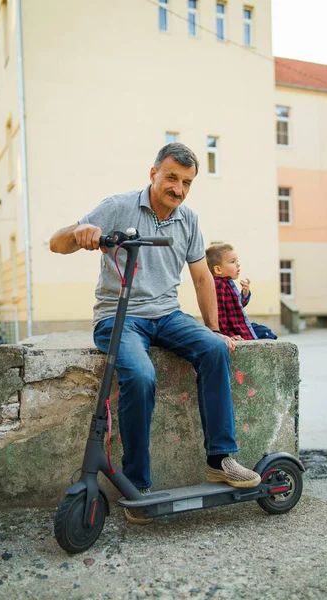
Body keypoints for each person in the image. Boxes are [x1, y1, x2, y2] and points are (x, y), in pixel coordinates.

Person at [50, 143, 261, 524]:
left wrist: (215, 329)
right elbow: (57, 243)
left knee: (214, 349)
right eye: (171, 178)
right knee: (142, 374)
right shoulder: (119, 206)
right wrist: (79, 232)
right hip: (119, 315)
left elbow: (201, 277)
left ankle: (220, 459)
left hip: (166, 314)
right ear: (154, 174)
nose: (178, 189)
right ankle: (137, 484)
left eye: (186, 182)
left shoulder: (189, 219)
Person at [206, 243, 277, 341]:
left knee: (266, 331)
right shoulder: (219, 285)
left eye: (237, 261)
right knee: (266, 334)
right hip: (234, 329)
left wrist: (245, 293)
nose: (238, 264)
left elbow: (236, 307)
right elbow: (219, 315)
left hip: (241, 326)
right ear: (218, 269)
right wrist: (228, 335)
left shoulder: (227, 283)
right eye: (232, 262)